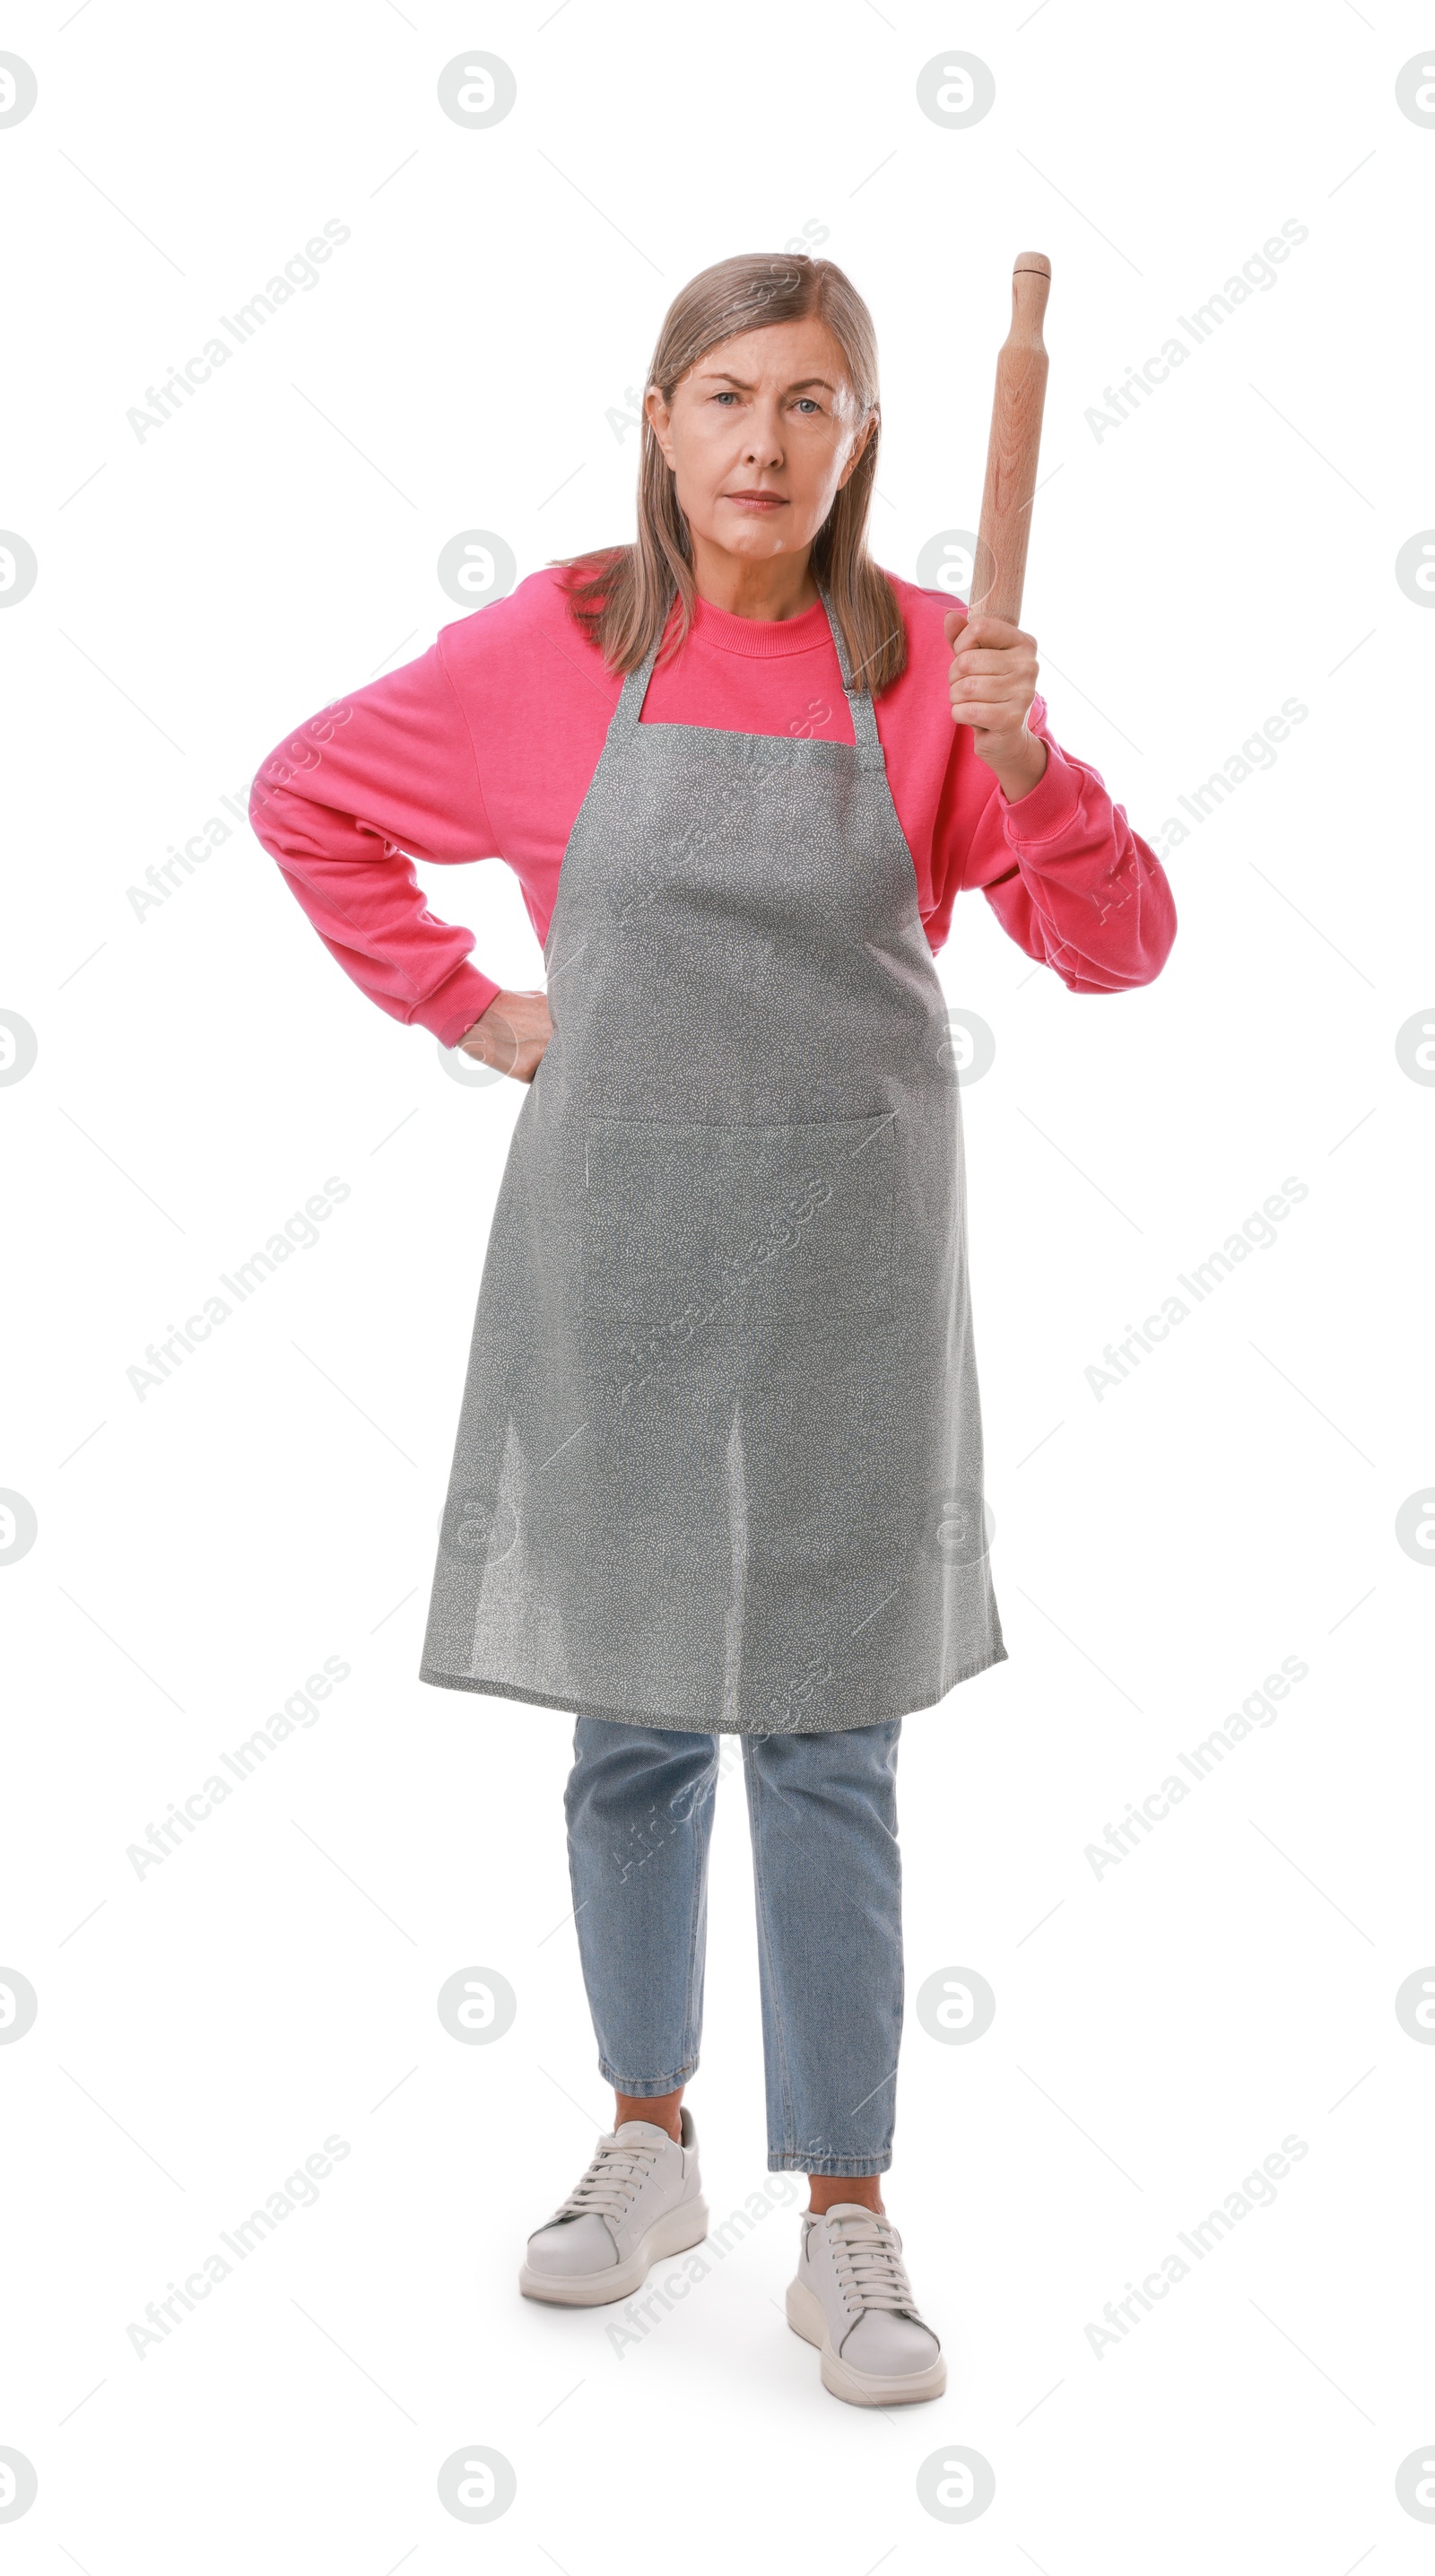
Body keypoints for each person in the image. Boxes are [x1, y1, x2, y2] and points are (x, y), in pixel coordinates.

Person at [250, 251, 1175, 2408]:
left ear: (862, 444)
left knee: (827, 1736)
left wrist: (1030, 773)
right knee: (635, 1715)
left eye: (815, 406)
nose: (766, 443)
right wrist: (469, 1007)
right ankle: (645, 2141)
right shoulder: (551, 650)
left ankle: (844, 2205)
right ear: (657, 416)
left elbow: (1120, 949)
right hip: (623, 1238)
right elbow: (309, 795)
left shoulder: (935, 665)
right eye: (729, 396)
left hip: (852, 1253)